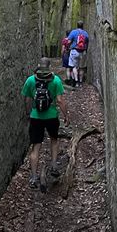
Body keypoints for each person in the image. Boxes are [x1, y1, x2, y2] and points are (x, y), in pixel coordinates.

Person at [21, 58, 68, 189]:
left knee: (36, 147)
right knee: (54, 140)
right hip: (52, 116)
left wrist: (28, 113)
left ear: (38, 66)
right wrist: (66, 115)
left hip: (36, 117)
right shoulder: (56, 80)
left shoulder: (30, 80)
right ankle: (53, 165)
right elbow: (59, 100)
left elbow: (27, 98)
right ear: (49, 67)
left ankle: (34, 177)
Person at [67, 21, 89, 86]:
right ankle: (81, 82)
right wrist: (85, 50)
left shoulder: (73, 32)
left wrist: (69, 47)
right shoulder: (85, 33)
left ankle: (76, 81)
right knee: (82, 67)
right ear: (83, 26)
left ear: (77, 25)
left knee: (74, 67)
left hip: (74, 51)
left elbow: (68, 41)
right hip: (83, 52)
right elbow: (87, 43)